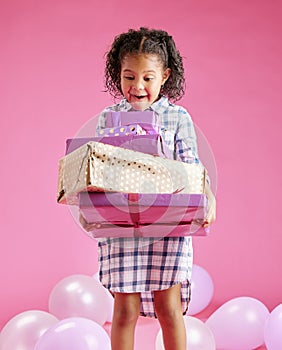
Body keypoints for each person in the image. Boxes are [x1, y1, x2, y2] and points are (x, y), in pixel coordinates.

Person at [95, 27, 216, 350]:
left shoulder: (178, 118)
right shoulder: (109, 118)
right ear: (117, 74)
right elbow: (101, 168)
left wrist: (208, 199)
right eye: (129, 76)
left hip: (167, 225)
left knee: (168, 306)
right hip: (123, 226)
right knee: (125, 309)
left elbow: (192, 168)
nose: (138, 87)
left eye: (148, 78)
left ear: (165, 76)